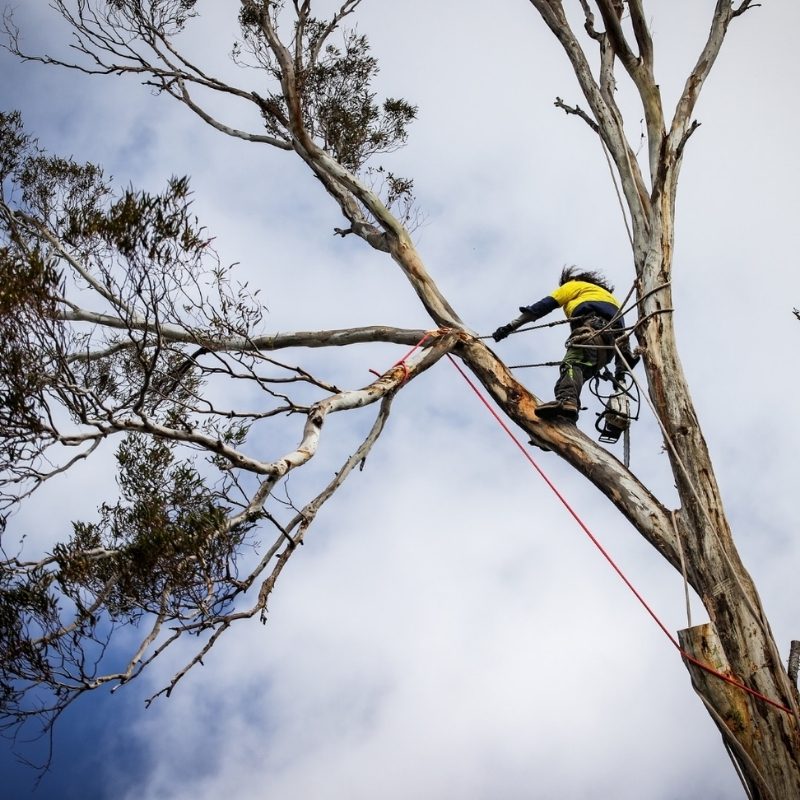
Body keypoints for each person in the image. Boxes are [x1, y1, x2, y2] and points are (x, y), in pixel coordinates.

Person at [492, 266, 635, 421]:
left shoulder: (574, 285)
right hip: (607, 351)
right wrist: (620, 375)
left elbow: (545, 305)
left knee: (571, 364)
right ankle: (565, 421)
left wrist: (509, 327)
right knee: (571, 378)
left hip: (591, 332)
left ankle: (567, 402)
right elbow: (624, 344)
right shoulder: (611, 301)